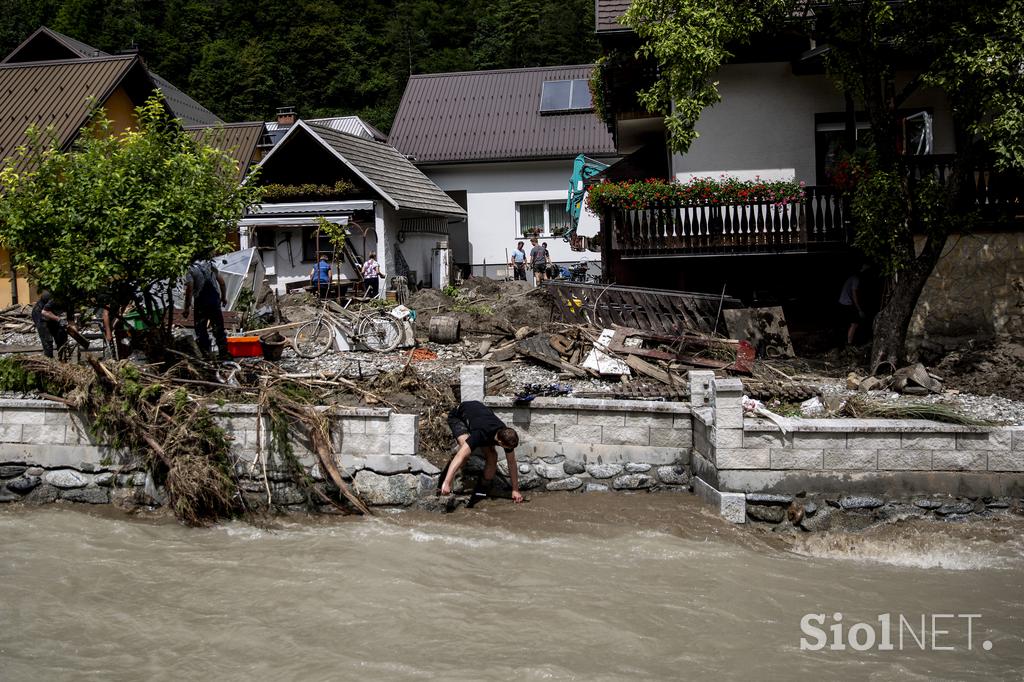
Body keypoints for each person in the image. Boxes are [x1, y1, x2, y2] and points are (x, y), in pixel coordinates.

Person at [439, 400, 523, 506]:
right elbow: (460, 456)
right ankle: (450, 483)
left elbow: (511, 462)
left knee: (492, 455)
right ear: (500, 442)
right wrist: (447, 482)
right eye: (507, 448)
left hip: (479, 413)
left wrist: (515, 489)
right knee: (464, 450)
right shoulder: (480, 433)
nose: (509, 450)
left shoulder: (505, 434)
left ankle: (482, 488)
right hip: (459, 416)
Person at [183, 257, 229, 359]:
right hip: (214, 302)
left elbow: (189, 290)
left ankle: (206, 356)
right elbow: (222, 283)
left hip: (201, 304)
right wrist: (224, 297)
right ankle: (224, 355)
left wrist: (186, 308)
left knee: (201, 331)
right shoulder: (210, 265)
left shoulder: (190, 269)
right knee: (219, 330)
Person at [32, 290, 70, 359]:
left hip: (51, 313)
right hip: (40, 313)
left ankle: (61, 359)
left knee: (61, 334)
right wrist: (59, 319)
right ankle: (49, 360)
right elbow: (44, 312)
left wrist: (74, 332)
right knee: (47, 339)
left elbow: (71, 321)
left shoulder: (71, 302)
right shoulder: (55, 297)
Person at [839, 265, 867, 346]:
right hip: (846, 303)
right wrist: (859, 310)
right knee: (854, 323)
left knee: (852, 322)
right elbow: (854, 296)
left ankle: (849, 341)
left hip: (844, 301)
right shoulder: (856, 279)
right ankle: (849, 343)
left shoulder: (853, 278)